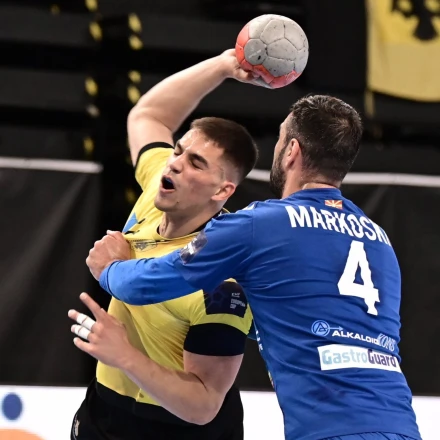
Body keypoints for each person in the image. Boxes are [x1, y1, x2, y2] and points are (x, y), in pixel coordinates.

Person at [84, 88, 422, 439]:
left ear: (291, 151)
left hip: (329, 430)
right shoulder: (378, 239)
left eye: (280, 138)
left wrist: (110, 267)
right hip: (400, 424)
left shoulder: (260, 224)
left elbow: (149, 283)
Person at [68, 49, 259, 440]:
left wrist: (124, 356)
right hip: (105, 410)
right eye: (179, 151)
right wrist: (224, 65)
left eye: (196, 163)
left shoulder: (222, 280)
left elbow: (204, 404)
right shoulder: (159, 193)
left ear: (222, 191)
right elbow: (150, 115)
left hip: (177, 429)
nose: (174, 164)